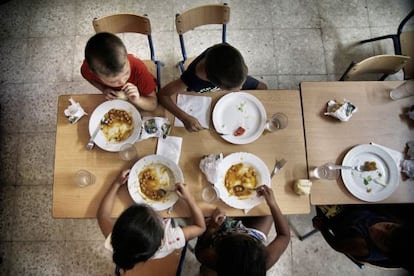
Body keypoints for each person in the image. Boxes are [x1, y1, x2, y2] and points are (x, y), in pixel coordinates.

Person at [97, 169, 206, 274]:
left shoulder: (116, 240)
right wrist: (189, 198)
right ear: (161, 240)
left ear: (118, 229)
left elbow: (102, 215)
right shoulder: (170, 238)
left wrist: (116, 183)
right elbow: (201, 227)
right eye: (158, 217)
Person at [158, 43, 268, 132]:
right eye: (232, 90)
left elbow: (262, 88)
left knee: (263, 87)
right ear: (211, 81)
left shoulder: (226, 55)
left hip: (232, 79)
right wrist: (185, 118)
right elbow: (163, 95)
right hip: (208, 103)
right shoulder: (192, 78)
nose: (239, 90)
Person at [195, 185, 290, 276]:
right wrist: (273, 204)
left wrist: (212, 227)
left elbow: (200, 250)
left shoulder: (215, 260)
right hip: (251, 233)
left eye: (237, 234)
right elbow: (284, 236)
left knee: (203, 208)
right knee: (266, 210)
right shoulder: (264, 260)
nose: (238, 232)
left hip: (221, 234)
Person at [312, 204, 414, 272]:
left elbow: (337, 245)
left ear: (385, 252)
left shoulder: (361, 246)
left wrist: (322, 228)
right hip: (357, 208)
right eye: (388, 226)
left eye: (382, 239)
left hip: (336, 217)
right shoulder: (400, 225)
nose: (377, 229)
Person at [81, 32, 157, 111]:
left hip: (140, 95)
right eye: (113, 82)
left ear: (126, 56)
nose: (123, 82)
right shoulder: (87, 70)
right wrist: (103, 89)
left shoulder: (138, 69)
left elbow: (153, 105)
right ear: (94, 73)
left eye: (127, 73)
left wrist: (137, 100)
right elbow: (87, 76)